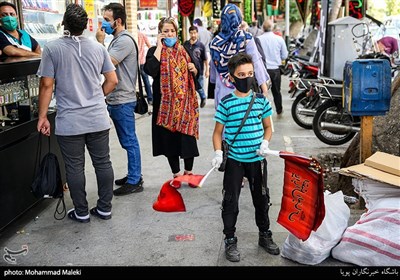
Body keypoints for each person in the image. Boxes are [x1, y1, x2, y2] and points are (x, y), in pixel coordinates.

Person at [36, 3, 118, 223]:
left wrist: (42, 116)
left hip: (69, 120)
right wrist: (97, 98)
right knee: (103, 163)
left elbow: (46, 85)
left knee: (74, 167)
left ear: (64, 23)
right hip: (98, 118)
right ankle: (104, 208)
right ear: (86, 25)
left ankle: (81, 211)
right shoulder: (98, 48)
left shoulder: (52, 48)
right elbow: (112, 81)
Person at [211, 53, 279, 262]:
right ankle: (230, 239)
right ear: (232, 78)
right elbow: (217, 132)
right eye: (242, 74)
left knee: (262, 198)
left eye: (250, 73)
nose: (247, 78)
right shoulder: (227, 103)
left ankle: (265, 235)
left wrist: (265, 143)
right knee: (230, 200)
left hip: (257, 160)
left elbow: (268, 128)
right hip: (234, 160)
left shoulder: (260, 101)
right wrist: (218, 152)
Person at [96, 3, 143, 196]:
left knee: (129, 141)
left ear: (118, 21)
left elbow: (103, 64)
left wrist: (98, 43)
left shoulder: (123, 41)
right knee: (127, 140)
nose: (103, 24)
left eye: (107, 20)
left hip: (122, 98)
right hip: (118, 98)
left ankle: (135, 180)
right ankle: (133, 174)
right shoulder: (116, 39)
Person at [144, 16, 200, 179]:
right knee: (169, 141)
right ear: (160, 34)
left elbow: (194, 76)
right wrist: (159, 47)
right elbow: (150, 70)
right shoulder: (154, 52)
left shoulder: (184, 51)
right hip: (165, 107)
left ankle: (189, 172)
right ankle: (176, 174)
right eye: (165, 31)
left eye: (172, 31)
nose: (169, 34)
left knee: (187, 139)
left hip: (185, 105)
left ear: (177, 32)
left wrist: (194, 70)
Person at [209, 3, 270, 109]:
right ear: (238, 19)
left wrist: (215, 81)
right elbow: (256, 62)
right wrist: (264, 89)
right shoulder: (246, 38)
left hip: (222, 92)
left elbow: (214, 70)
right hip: (243, 90)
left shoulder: (215, 42)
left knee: (225, 123)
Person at [257, 19, 288, 116]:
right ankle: (279, 109)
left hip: (262, 70)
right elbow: (284, 55)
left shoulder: (258, 39)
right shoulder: (279, 39)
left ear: (262, 28)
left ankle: (260, 110)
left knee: (261, 91)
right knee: (276, 91)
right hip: (275, 70)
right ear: (273, 28)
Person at [183, 25, 209, 108]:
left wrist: (207, 70)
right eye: (191, 33)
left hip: (199, 70)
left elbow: (205, 59)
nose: (193, 35)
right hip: (187, 70)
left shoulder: (201, 45)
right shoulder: (185, 44)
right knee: (190, 88)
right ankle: (191, 104)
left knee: (199, 87)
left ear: (197, 33)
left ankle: (203, 97)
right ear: (189, 33)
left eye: (194, 33)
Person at [138, 31, 153, 105]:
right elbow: (149, 46)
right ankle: (150, 98)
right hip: (142, 61)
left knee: (136, 81)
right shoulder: (142, 35)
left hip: (135, 62)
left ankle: (138, 99)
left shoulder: (131, 35)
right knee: (146, 80)